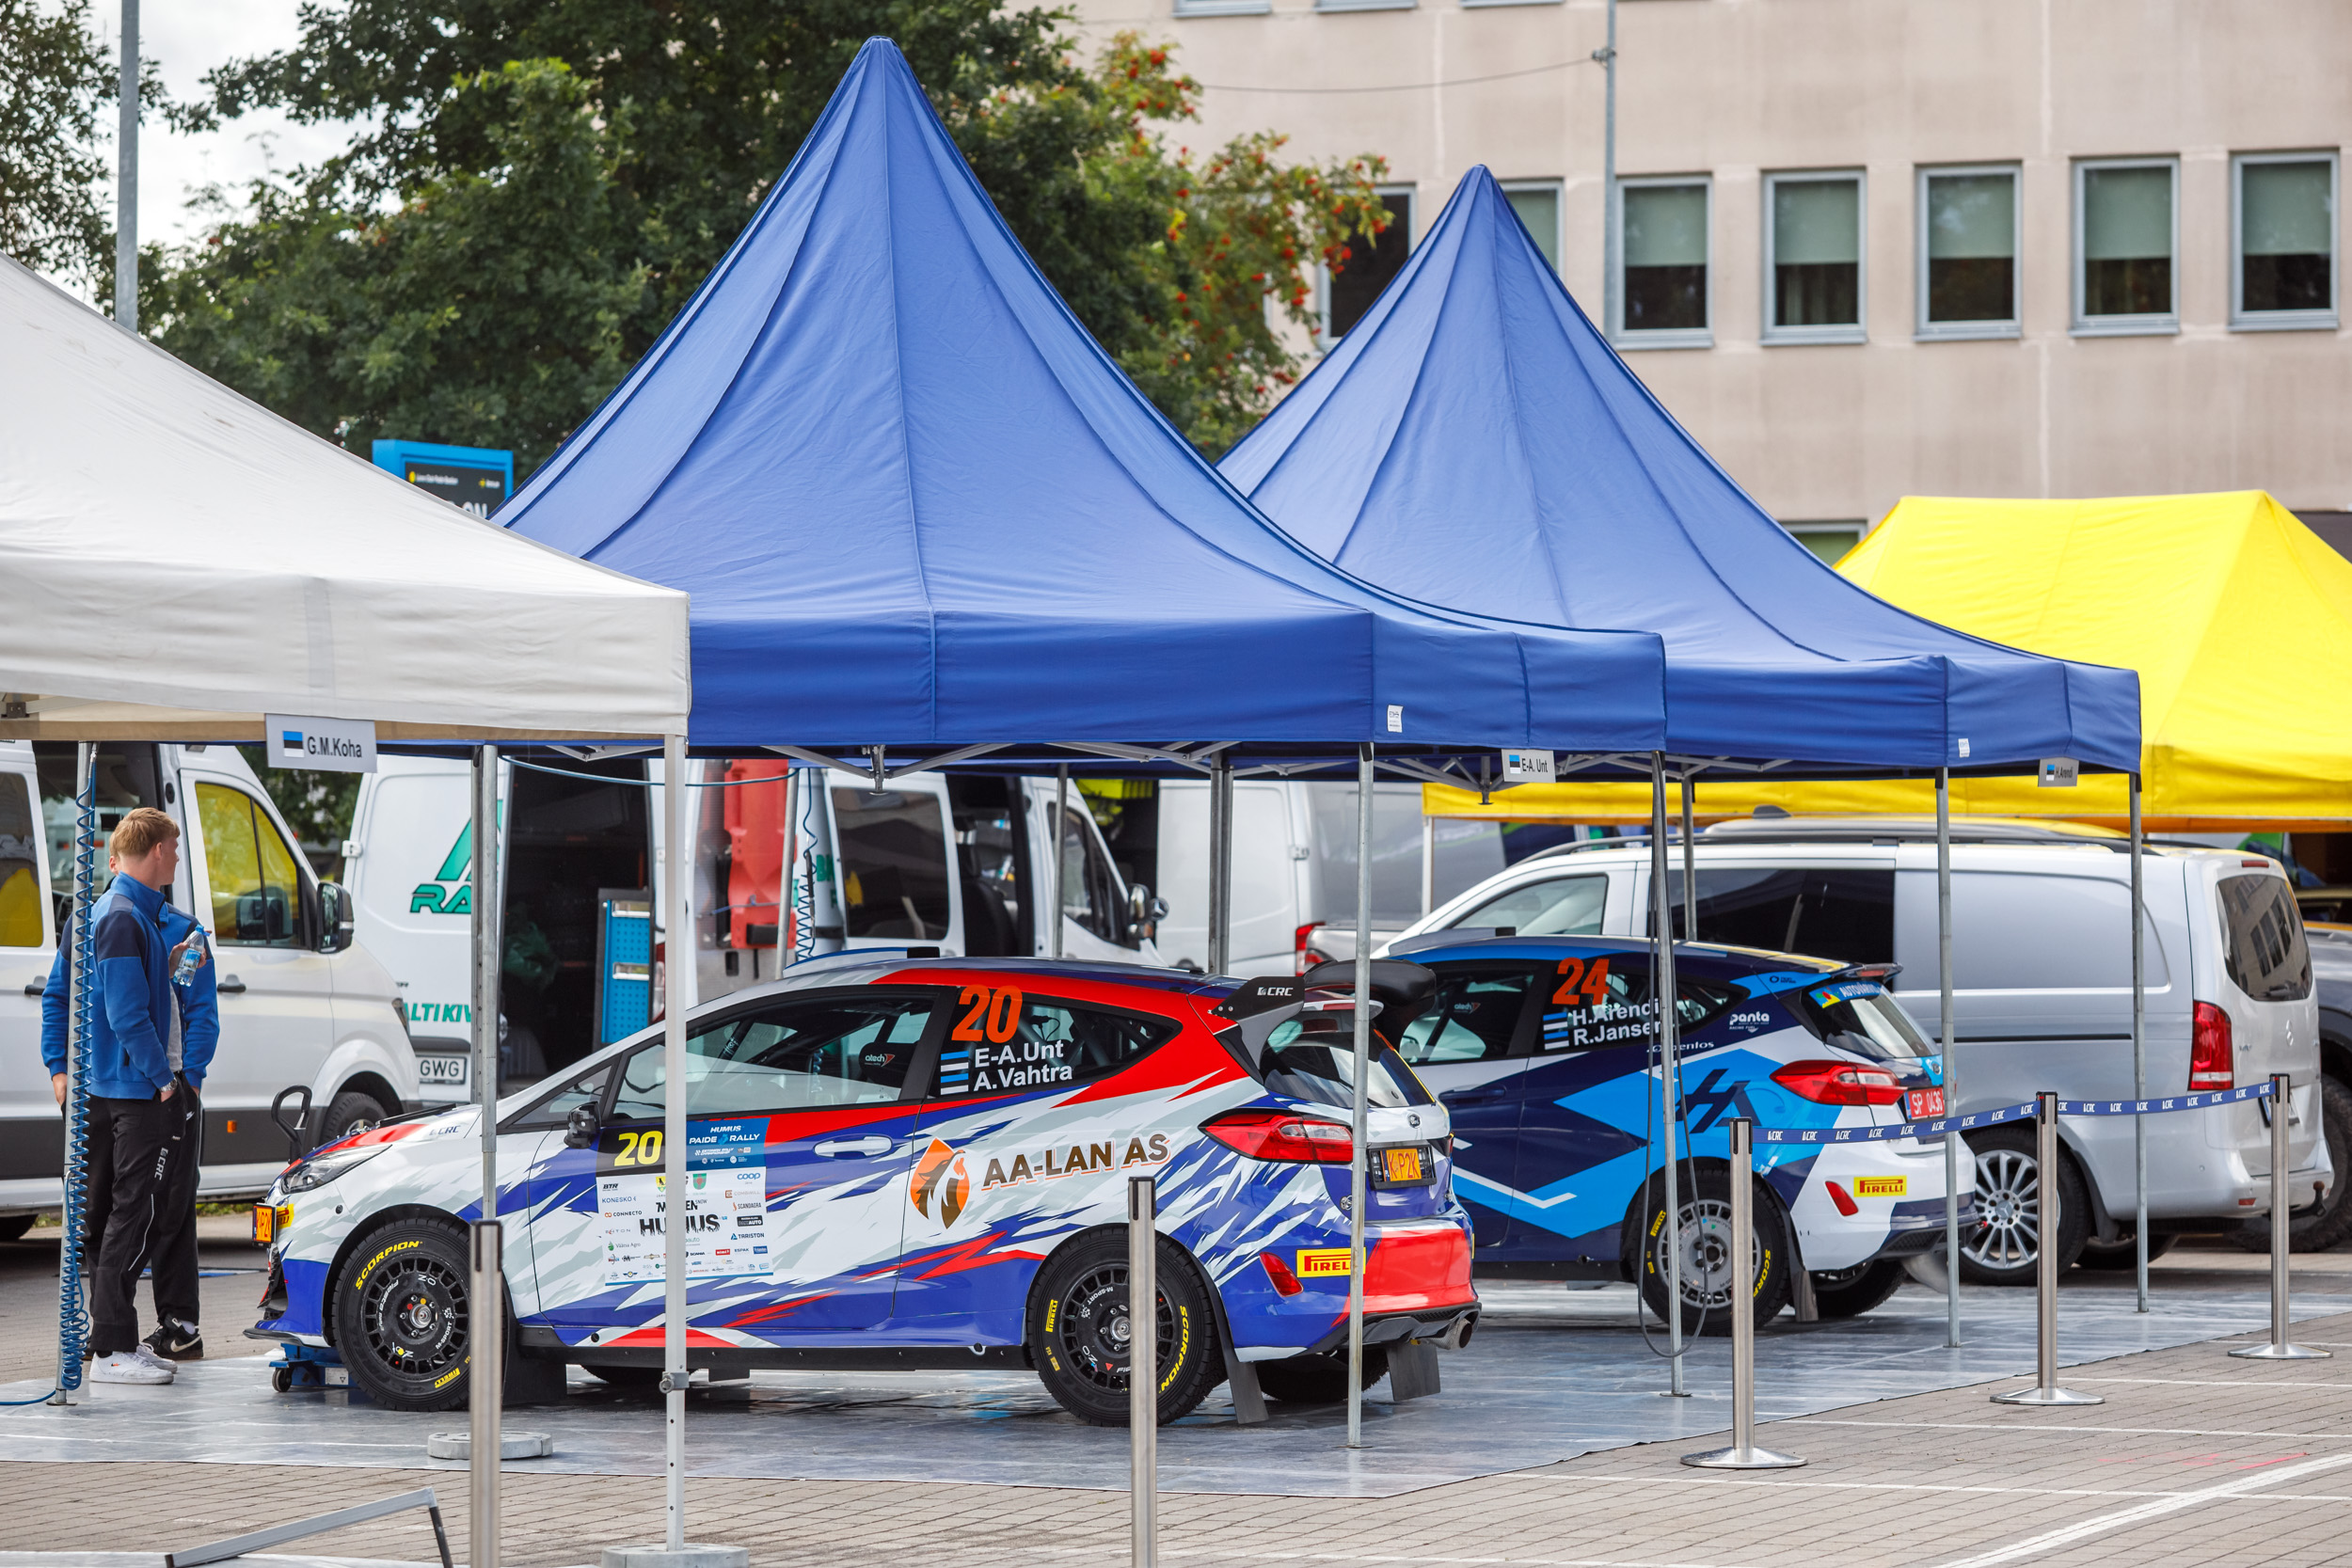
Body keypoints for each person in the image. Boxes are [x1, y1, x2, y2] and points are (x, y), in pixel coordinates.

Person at [40, 806, 205, 1386]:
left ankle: (115, 1340)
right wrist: (165, 1080)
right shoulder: (122, 918)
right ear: (157, 850)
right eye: (174, 848)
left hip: (110, 1090)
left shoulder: (117, 915)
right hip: (134, 1094)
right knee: (133, 1216)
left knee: (115, 1218)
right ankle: (112, 1348)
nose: (178, 857)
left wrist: (61, 1070)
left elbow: (67, 996)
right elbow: (127, 1014)